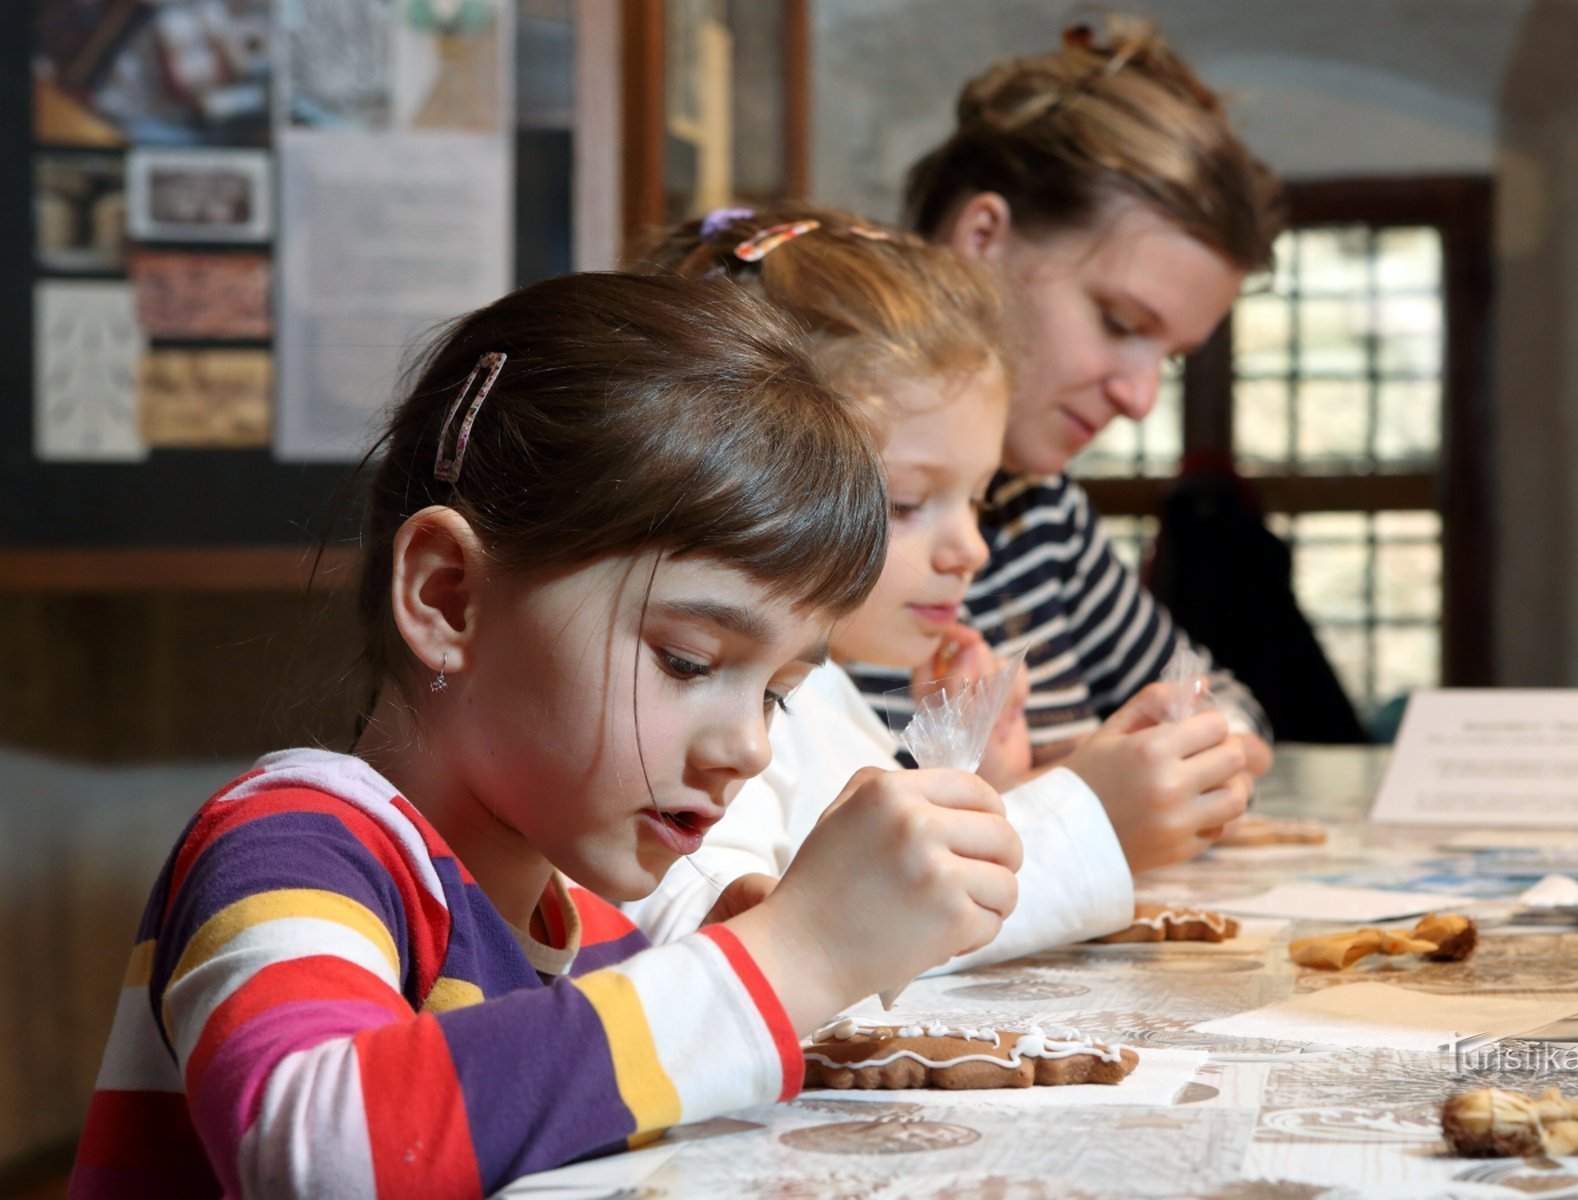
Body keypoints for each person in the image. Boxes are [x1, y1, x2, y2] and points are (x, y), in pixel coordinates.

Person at [70, 273, 1021, 1198]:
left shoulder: (590, 939)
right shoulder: (292, 852)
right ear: (449, 596)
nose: (749, 748)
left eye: (775, 694)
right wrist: (793, 954)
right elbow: (318, 1152)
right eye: (688, 661)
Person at [626, 209, 1249, 962]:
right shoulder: (716, 711)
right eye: (908, 502)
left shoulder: (824, 693)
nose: (971, 549)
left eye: (979, 498)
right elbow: (745, 941)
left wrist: (984, 788)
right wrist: (1089, 822)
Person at [851, 12, 1284, 771]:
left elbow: (1223, 702)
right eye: (1119, 322)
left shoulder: (1038, 509)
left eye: (1172, 358)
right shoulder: (807, 516)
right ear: (983, 240)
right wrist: (1084, 801)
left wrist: (1194, 754)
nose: (1142, 398)